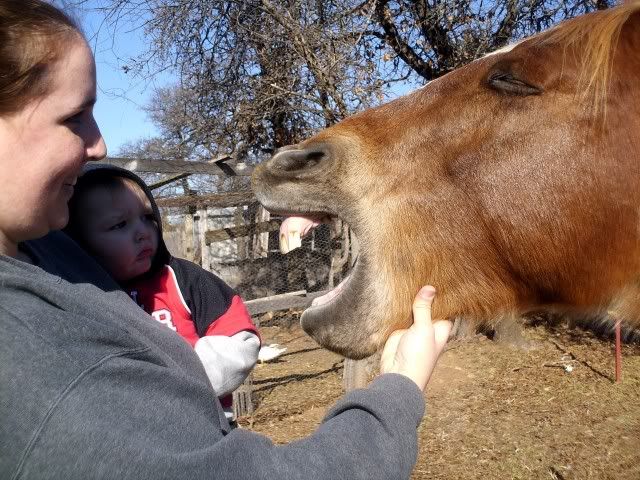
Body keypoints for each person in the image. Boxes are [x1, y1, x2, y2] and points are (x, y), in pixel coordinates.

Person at [0, 1, 453, 478]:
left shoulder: (50, 249)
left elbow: (235, 326)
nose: (100, 145)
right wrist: (401, 383)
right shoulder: (40, 365)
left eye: (145, 219)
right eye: (73, 117)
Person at [64, 165, 260, 425]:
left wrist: (187, 382)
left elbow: (239, 339)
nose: (143, 232)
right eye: (119, 224)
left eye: (147, 217)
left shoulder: (182, 279)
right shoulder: (81, 295)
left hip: (205, 424)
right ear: (80, 242)